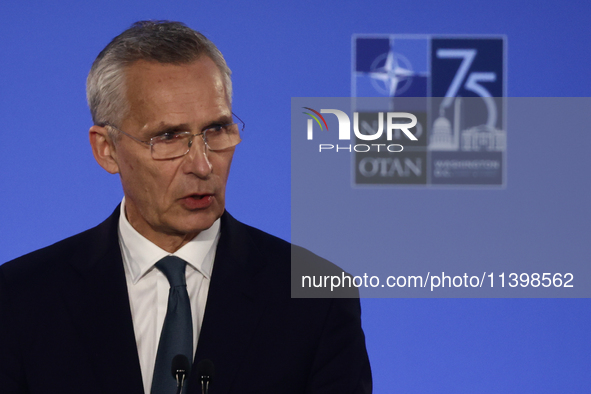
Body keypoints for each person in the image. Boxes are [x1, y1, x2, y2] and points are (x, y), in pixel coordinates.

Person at [0, 21, 371, 394]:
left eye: (217, 130)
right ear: (106, 149)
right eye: (168, 137)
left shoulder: (318, 299)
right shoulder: (19, 300)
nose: (202, 165)